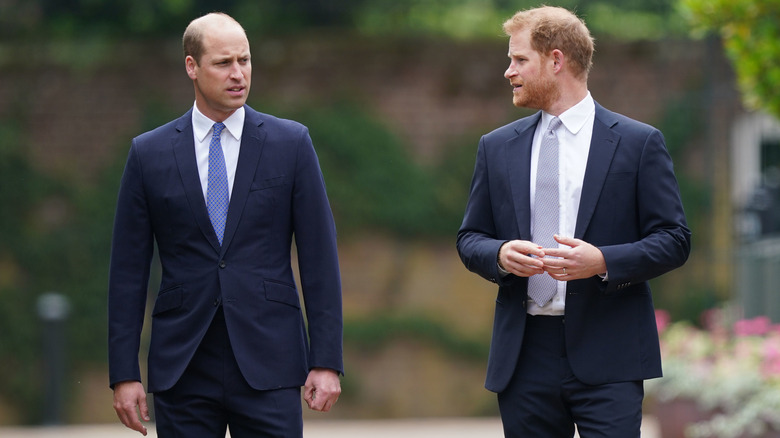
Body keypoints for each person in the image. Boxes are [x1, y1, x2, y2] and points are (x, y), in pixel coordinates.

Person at [456, 6, 691, 437]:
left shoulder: (639, 143)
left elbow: (674, 239)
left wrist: (602, 261)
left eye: (519, 59)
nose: (508, 71)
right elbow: (470, 238)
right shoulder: (496, 147)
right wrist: (502, 255)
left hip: (611, 352)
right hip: (524, 355)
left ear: (557, 60)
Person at [108, 12, 343, 437]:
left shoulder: (291, 144)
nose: (238, 74)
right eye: (223, 63)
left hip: (271, 360)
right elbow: (127, 272)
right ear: (191, 67)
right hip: (183, 364)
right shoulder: (149, 154)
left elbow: (320, 259)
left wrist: (325, 361)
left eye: (245, 61)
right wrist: (124, 374)